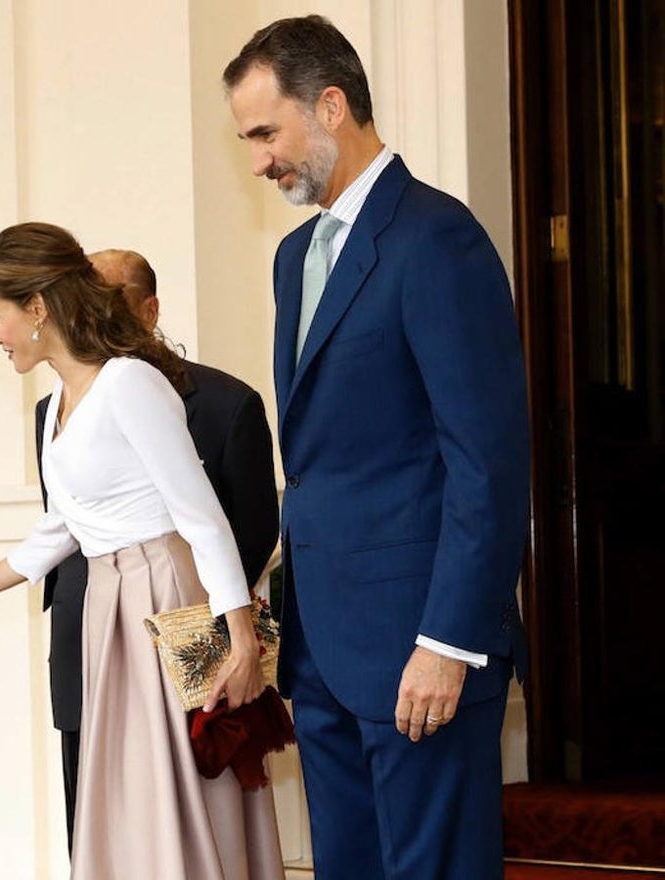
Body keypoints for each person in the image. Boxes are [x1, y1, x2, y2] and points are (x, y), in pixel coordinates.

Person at [223, 15, 530, 880]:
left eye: (264, 133)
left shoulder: (438, 237)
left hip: (419, 651)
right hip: (322, 651)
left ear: (330, 106)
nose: (257, 161)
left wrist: (451, 641)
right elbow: (323, 459)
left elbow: (487, 463)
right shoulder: (294, 257)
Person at [0, 222, 285, 879]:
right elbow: (64, 527)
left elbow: (201, 516)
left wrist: (241, 641)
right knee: (132, 792)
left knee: (194, 780)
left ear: (37, 307)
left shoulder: (129, 383)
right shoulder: (58, 402)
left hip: (171, 594)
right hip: (110, 602)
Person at [34, 247, 279, 850]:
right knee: (97, 824)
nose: (95, 315)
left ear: (150, 310)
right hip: (86, 634)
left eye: (112, 301)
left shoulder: (228, 404)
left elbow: (247, 530)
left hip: (187, 635)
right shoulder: (51, 407)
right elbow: (64, 522)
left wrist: (221, 632)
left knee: (201, 820)